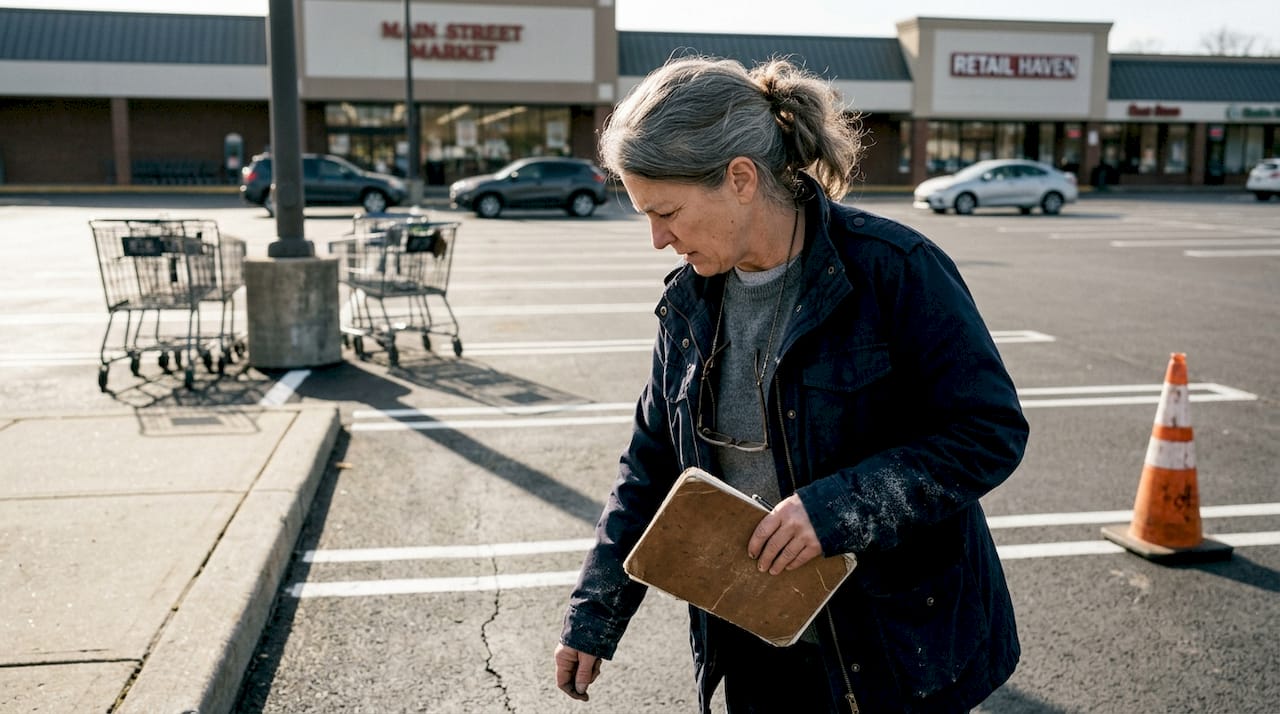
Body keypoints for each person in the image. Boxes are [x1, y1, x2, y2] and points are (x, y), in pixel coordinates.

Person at [554, 55, 1029, 713]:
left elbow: (987, 431)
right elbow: (650, 464)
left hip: (893, 652)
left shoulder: (895, 270)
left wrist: (839, 509)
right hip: (755, 645)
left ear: (740, 179)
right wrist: (594, 613)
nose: (658, 239)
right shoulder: (691, 303)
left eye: (667, 212)